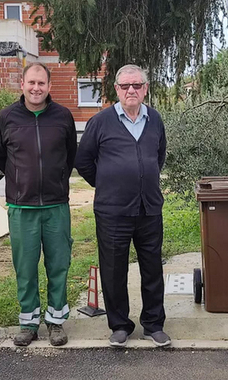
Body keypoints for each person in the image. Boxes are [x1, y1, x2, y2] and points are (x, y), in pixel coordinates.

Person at [75, 64, 170, 348]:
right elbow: (83, 162)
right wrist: (108, 184)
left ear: (145, 88)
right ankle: (119, 325)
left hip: (149, 209)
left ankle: (153, 324)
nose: (131, 90)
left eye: (137, 85)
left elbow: (159, 156)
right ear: (116, 89)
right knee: (114, 270)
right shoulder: (100, 122)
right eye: (125, 86)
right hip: (112, 212)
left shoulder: (155, 119)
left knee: (152, 268)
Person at [0, 63, 77, 347]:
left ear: (49, 86)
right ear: (23, 84)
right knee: (25, 268)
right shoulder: (6, 117)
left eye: (42, 83)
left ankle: (55, 321)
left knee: (59, 265)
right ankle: (28, 323)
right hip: (22, 207)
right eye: (31, 83)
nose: (36, 88)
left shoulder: (63, 117)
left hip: (56, 206)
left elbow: (70, 156)